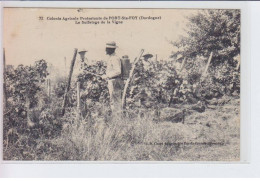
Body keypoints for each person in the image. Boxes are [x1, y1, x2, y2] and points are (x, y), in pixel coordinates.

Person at [102, 41, 124, 116]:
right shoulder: (112, 57)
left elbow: (118, 71)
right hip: (113, 80)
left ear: (111, 49)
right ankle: (116, 116)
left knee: (115, 100)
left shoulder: (114, 58)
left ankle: (117, 118)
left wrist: (107, 76)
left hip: (114, 81)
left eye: (107, 48)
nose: (105, 50)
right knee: (114, 99)